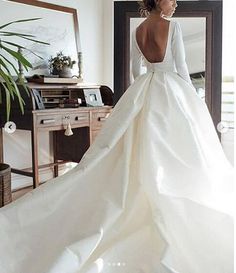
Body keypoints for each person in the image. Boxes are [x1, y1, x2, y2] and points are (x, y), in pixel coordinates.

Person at [0, 0, 234, 272]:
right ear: (159, 1)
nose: (176, 3)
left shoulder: (139, 29)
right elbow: (182, 68)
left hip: (145, 88)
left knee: (134, 143)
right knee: (174, 146)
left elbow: (137, 70)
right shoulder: (173, 27)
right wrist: (192, 100)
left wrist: (146, 85)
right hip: (170, 88)